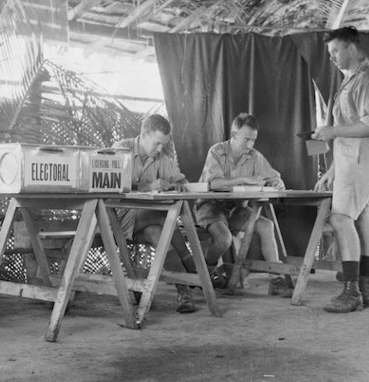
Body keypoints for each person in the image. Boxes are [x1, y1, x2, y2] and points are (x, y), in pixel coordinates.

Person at [312, 26, 369, 313]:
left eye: (335, 51)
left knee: (341, 219)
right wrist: (333, 168)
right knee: (363, 219)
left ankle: (352, 291)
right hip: (353, 160)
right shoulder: (352, 80)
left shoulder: (367, 79)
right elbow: (349, 131)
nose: (332, 57)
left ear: (352, 49)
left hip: (362, 159)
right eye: (330, 52)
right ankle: (368, 289)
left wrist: (332, 130)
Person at [194, 113, 292, 297]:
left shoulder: (254, 156)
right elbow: (213, 184)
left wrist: (276, 183)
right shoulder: (217, 151)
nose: (250, 145)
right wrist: (244, 179)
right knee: (224, 239)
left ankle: (275, 279)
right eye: (246, 139)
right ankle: (204, 273)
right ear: (234, 133)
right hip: (210, 205)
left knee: (266, 225)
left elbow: (274, 176)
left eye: (253, 140)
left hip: (236, 208)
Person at [112, 114, 199, 313]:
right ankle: (192, 266)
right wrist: (147, 186)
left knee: (158, 233)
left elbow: (181, 180)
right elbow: (112, 184)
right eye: (157, 143)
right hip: (116, 218)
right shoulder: (121, 150)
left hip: (144, 221)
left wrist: (178, 185)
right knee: (166, 216)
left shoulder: (160, 157)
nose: (160, 149)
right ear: (144, 134)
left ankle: (183, 292)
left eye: (164, 145)